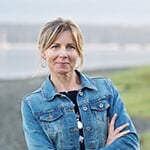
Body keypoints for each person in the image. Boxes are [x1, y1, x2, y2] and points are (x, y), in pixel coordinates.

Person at [21, 17, 140, 150]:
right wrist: (109, 146)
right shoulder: (32, 104)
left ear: (78, 51)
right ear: (43, 52)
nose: (63, 54)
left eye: (70, 47)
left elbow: (130, 143)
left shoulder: (106, 89)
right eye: (55, 47)